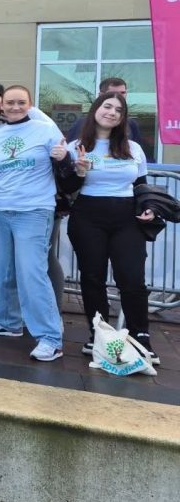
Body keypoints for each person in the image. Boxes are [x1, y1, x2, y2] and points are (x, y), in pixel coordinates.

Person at [0, 84, 71, 362]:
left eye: (21, 102)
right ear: (2, 106)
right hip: (1, 211)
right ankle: (7, 322)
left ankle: (50, 338)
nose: (15, 107)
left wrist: (67, 160)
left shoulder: (44, 129)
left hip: (35, 210)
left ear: (29, 104)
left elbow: (65, 164)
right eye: (10, 103)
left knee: (32, 274)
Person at [66, 92, 158, 363]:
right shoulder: (77, 146)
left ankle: (140, 335)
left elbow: (141, 186)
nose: (112, 112)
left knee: (131, 279)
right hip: (87, 216)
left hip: (126, 217)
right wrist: (79, 171)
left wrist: (149, 207)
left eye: (119, 109)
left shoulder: (133, 148)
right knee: (92, 278)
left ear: (122, 117)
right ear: (96, 109)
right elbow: (66, 189)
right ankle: (99, 333)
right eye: (107, 106)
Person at [66, 78, 141, 144]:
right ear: (101, 95)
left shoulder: (131, 125)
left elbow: (137, 155)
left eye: (123, 93)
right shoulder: (82, 123)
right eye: (113, 93)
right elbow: (71, 153)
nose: (118, 96)